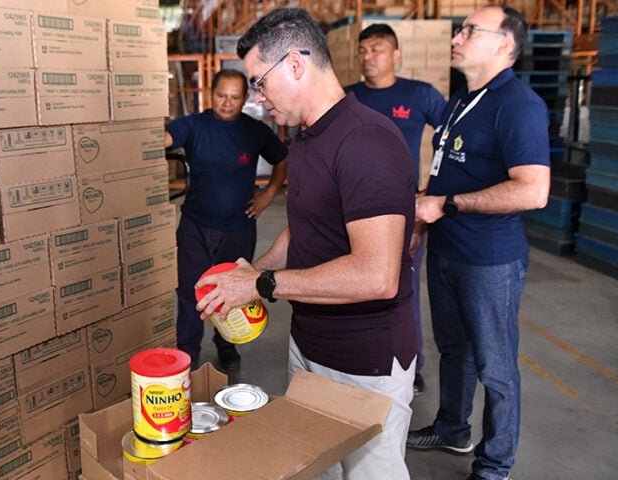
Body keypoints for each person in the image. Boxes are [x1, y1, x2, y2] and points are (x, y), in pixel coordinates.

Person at [194, 8, 417, 480]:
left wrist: (264, 285)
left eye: (259, 82)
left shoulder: (366, 142)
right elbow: (305, 226)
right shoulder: (308, 137)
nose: (257, 98)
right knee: (322, 470)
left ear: (295, 64)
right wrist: (251, 272)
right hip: (310, 347)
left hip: (364, 363)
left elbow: (377, 276)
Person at [407, 6, 550, 480]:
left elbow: (533, 190)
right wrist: (422, 225)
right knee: (453, 349)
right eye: (460, 28)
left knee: (496, 367)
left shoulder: (518, 104)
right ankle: (452, 427)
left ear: (504, 44)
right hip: (447, 251)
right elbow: (441, 174)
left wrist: (446, 205)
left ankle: (495, 464)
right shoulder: (461, 101)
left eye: (470, 30)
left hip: (489, 260)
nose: (457, 37)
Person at [344, 23, 447, 397]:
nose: (368, 57)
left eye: (378, 49)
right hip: (349, 212)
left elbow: (452, 138)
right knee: (351, 285)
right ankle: (356, 357)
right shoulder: (347, 97)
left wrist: (429, 195)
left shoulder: (419, 95)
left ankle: (410, 363)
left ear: (396, 54)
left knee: (402, 291)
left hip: (403, 216)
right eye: (363, 50)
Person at [165, 69, 288, 372]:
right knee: (190, 291)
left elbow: (283, 160)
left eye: (234, 97)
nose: (227, 103)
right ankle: (188, 352)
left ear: (244, 99)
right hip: (196, 226)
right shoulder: (194, 125)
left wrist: (268, 195)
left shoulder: (254, 130)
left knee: (232, 291)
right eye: (221, 96)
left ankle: (226, 345)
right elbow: (168, 138)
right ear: (211, 93)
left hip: (238, 229)